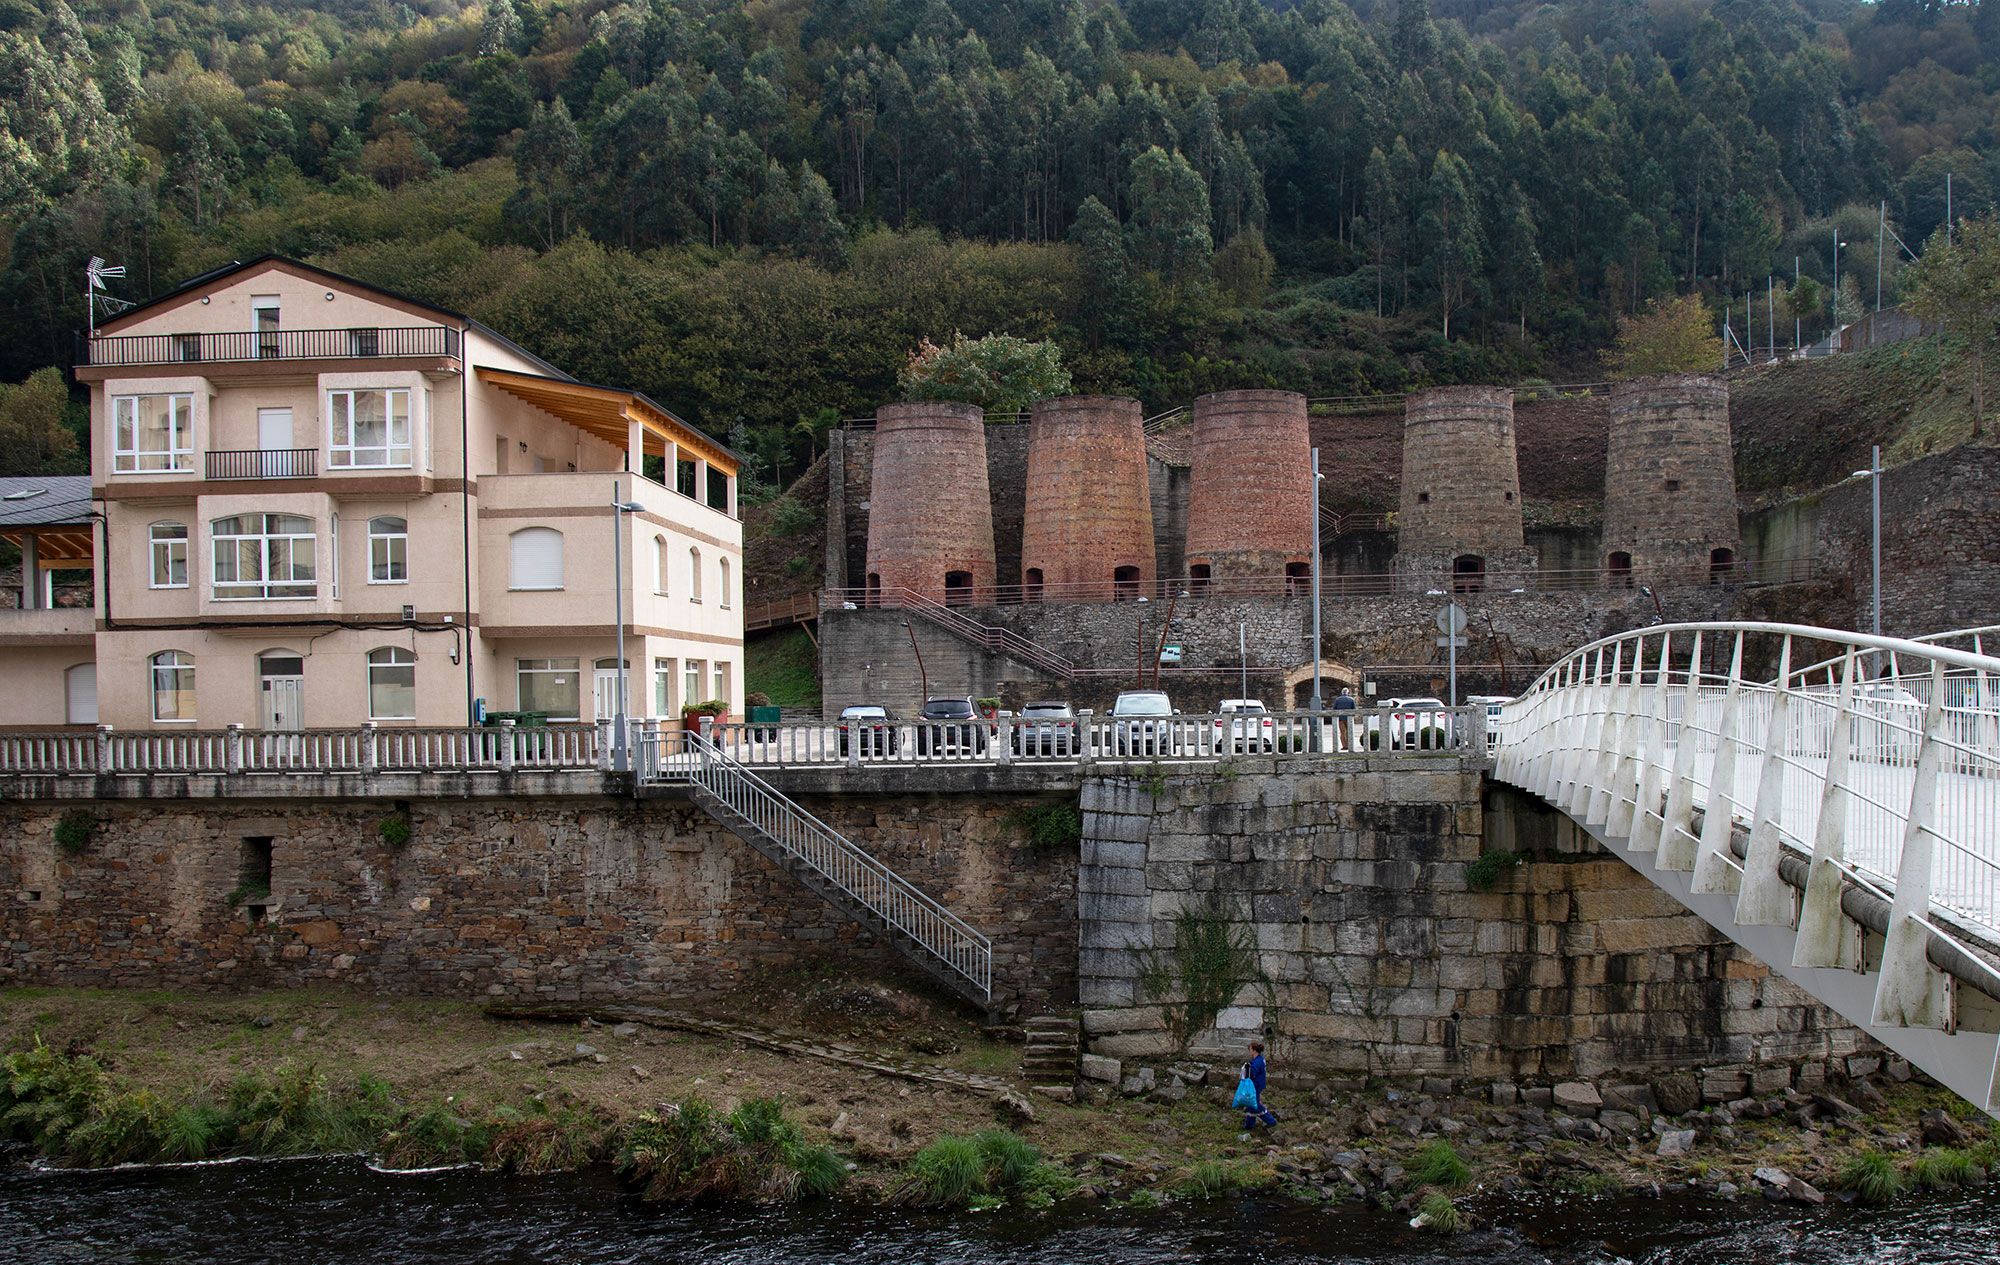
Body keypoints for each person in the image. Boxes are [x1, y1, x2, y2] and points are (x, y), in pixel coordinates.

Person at [1240, 1039, 1278, 1133]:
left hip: (1255, 1085)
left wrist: (1246, 1069)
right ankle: (1249, 1125)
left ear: (1254, 1050)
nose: (1249, 1051)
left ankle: (1271, 1121)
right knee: (1251, 1103)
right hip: (1257, 1084)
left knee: (1255, 1105)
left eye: (1250, 1049)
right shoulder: (1259, 1059)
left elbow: (1253, 1072)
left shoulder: (1257, 1061)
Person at [1332, 687, 1358, 751]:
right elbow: (1354, 709)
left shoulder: (1337, 700)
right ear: (1347, 692)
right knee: (1349, 732)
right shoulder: (1351, 699)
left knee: (1342, 732)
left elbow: (1334, 709)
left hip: (1340, 718)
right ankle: (1350, 745)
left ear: (1342, 692)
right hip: (1349, 718)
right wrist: (1353, 716)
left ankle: (1344, 746)